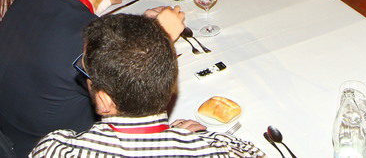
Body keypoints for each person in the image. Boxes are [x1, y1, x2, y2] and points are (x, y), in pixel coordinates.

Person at [0, 0, 186, 157]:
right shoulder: (87, 40)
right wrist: (161, 36)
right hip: (38, 149)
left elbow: (65, 34)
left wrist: (143, 24)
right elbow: (134, 81)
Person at [31, 14, 264, 158]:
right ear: (171, 82)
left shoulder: (55, 150)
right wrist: (190, 138)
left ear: (104, 102)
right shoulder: (218, 151)